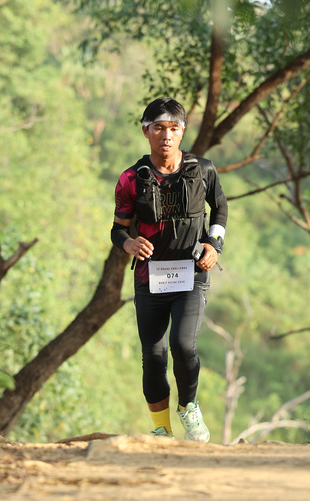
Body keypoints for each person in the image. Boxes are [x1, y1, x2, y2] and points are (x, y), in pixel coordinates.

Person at [110, 97, 228, 441]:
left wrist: (214, 244)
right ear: (145, 131)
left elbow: (220, 208)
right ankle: (161, 429)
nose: (166, 135)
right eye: (159, 128)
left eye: (173, 128)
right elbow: (118, 229)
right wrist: (129, 244)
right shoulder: (131, 179)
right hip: (150, 278)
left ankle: (188, 408)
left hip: (192, 275)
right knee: (154, 356)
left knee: (183, 345)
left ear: (182, 131)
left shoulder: (203, 170)